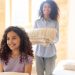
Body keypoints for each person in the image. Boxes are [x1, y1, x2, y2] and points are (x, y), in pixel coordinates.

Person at [34, 1, 59, 75]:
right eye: (45, 6)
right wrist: (40, 39)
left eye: (49, 7)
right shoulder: (37, 22)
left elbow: (57, 38)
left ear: (52, 9)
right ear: (42, 8)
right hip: (39, 53)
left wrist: (49, 40)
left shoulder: (55, 23)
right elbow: (35, 37)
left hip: (50, 53)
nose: (46, 8)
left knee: (49, 73)